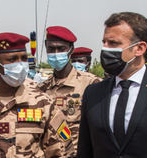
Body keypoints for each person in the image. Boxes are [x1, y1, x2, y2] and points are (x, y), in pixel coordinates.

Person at [77, 12, 147, 158]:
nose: (105, 49)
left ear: (140, 48)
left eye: (113, 43)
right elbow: (85, 150)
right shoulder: (94, 93)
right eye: (104, 42)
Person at [37, 26, 101, 157]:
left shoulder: (91, 84)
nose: (55, 53)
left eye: (61, 49)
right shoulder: (41, 89)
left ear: (71, 49)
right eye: (51, 49)